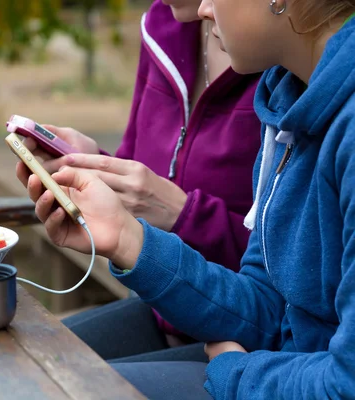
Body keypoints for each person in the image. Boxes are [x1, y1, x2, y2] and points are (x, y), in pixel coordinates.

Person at [20, 0, 355, 398]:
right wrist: (129, 240)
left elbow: (345, 382)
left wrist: (238, 373)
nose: (203, 8)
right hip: (275, 367)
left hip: (278, 378)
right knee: (32, 377)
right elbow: (270, 308)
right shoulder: (286, 102)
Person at [19, 0, 261, 362]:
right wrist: (93, 164)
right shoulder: (161, 29)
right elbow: (141, 171)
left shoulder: (278, 61)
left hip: (242, 339)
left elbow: (288, 273)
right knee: (25, 364)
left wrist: (183, 214)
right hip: (158, 309)